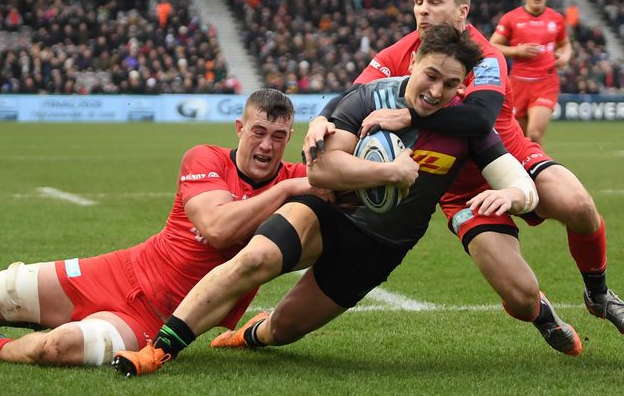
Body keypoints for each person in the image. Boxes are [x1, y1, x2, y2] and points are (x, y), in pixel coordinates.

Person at [112, 23, 540, 376]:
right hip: (329, 214)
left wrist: (512, 196)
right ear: (414, 62)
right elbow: (322, 170)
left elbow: (519, 183)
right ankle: (159, 350)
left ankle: (251, 333)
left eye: (451, 83)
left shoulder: (467, 126)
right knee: (254, 260)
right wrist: (388, 171)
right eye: (431, 75)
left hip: (380, 248)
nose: (436, 90)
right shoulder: (370, 97)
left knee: (285, 330)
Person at [302, 0, 624, 355]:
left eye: (435, 2)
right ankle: (542, 314)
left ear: (462, 12)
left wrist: (411, 115)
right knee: (520, 298)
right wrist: (321, 118)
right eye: (418, 2)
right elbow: (353, 93)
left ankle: (598, 294)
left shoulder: (485, 56)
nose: (423, 10)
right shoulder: (401, 53)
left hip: (510, 157)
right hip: (460, 190)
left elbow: (480, 119)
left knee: (578, 205)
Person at [0, 89, 327, 366]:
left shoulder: (298, 180)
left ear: (289, 138)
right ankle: (46, 313)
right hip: (120, 270)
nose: (267, 145)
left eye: (278, 136)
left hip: (152, 319)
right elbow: (216, 228)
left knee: (55, 349)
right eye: (258, 131)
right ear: (239, 127)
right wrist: (288, 188)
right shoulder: (206, 158)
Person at [489, 0, 572, 145]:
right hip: (518, 83)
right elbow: (493, 46)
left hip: (546, 82)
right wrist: (517, 51)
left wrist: (565, 55)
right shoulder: (511, 18)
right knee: (521, 138)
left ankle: (536, 170)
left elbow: (565, 44)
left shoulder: (556, 19)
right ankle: (526, 169)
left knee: (534, 134)